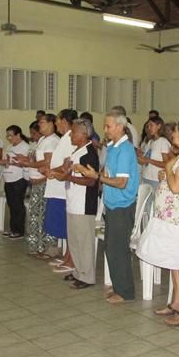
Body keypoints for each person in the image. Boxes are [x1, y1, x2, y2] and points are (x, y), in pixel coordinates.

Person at [137, 118, 179, 326]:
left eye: (175, 131)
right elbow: (175, 181)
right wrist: (166, 174)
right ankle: (177, 303)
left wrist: (168, 169)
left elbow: (177, 188)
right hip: (172, 217)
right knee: (175, 262)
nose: (173, 134)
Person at [78, 110, 139, 303]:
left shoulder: (125, 150)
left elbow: (121, 182)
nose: (105, 129)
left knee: (118, 249)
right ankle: (119, 285)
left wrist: (96, 176)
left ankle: (126, 292)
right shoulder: (112, 147)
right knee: (111, 248)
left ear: (120, 127)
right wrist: (96, 174)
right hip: (112, 204)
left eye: (108, 126)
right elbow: (108, 173)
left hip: (123, 205)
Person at [58, 118, 100, 289]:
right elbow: (70, 173)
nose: (70, 136)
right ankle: (78, 271)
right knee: (74, 240)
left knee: (84, 242)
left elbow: (91, 181)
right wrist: (65, 169)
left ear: (83, 134)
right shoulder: (77, 151)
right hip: (73, 201)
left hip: (83, 204)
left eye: (73, 132)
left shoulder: (89, 153)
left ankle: (87, 276)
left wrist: (69, 177)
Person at [15, 114, 59, 257]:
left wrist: (29, 164)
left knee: (43, 215)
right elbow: (37, 159)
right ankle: (37, 245)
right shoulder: (42, 139)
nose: (39, 125)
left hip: (45, 182)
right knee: (35, 214)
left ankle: (45, 247)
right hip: (37, 182)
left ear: (51, 124)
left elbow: (48, 162)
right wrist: (25, 159)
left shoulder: (52, 141)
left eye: (42, 122)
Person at [44, 109, 77, 272]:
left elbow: (68, 164)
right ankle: (66, 257)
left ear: (64, 121)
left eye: (57, 120)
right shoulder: (65, 138)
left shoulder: (71, 138)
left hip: (62, 190)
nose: (56, 123)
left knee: (68, 227)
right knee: (64, 226)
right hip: (57, 188)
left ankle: (71, 260)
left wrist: (52, 171)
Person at [0, 125, 29, 238]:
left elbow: (25, 163)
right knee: (11, 204)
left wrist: (14, 162)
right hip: (8, 179)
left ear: (18, 135)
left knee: (17, 205)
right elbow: (6, 161)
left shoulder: (25, 147)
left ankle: (19, 231)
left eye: (11, 135)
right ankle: (12, 229)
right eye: (7, 136)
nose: (9, 138)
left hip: (18, 179)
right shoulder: (9, 146)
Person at [137, 116, 172, 189]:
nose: (149, 128)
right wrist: (140, 156)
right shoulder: (150, 142)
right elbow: (145, 161)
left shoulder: (163, 142)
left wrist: (148, 160)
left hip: (156, 179)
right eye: (148, 126)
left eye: (151, 125)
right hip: (146, 176)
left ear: (159, 126)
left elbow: (166, 164)